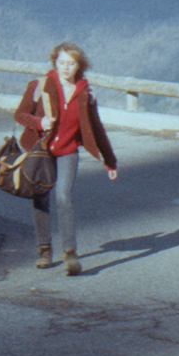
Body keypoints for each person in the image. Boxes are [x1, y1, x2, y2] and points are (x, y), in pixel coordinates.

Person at [12, 42, 118, 275]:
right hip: (42, 151)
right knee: (40, 196)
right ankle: (44, 250)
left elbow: (96, 128)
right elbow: (19, 114)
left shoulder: (85, 92)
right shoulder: (39, 86)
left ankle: (70, 253)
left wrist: (109, 161)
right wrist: (39, 123)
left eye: (71, 63)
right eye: (61, 63)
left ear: (79, 65)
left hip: (68, 150)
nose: (65, 68)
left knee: (63, 196)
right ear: (55, 63)